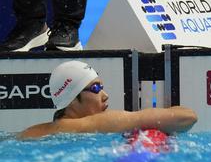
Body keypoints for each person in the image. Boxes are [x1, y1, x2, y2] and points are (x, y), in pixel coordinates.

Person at [18, 60, 197, 139]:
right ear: (72, 99)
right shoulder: (97, 124)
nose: (105, 95)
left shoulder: (31, 133)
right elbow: (187, 117)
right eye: (95, 88)